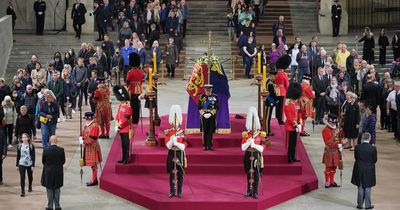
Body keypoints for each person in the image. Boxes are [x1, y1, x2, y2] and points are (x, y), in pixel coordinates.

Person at [241, 106, 270, 199]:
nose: (253, 125)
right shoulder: (246, 134)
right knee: (249, 173)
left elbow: (263, 148)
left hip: (256, 154)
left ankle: (255, 191)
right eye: (251, 123)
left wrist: (255, 145)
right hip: (248, 154)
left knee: (256, 173)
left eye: (254, 123)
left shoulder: (261, 135)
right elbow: (242, 147)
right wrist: (248, 142)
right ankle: (249, 190)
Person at [165, 105, 187, 198]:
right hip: (171, 153)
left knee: (180, 173)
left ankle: (179, 191)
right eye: (174, 121)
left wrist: (177, 144)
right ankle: (172, 191)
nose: (175, 123)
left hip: (179, 153)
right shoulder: (168, 132)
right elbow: (167, 145)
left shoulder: (182, 132)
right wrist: (171, 140)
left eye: (177, 121)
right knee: (171, 173)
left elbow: (184, 146)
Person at [351, 132, 377, 210]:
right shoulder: (373, 148)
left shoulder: (357, 147)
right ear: (369, 138)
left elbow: (356, 157)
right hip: (369, 169)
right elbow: (375, 160)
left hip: (359, 168)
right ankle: (368, 205)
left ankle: (360, 204)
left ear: (362, 138)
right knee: (368, 187)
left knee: (360, 186)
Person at [41, 135, 65, 210]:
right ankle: (57, 206)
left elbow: (43, 161)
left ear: (50, 141)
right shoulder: (61, 150)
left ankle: (50, 206)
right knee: (57, 189)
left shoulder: (46, 150)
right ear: (56, 141)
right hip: (58, 172)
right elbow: (63, 161)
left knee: (50, 189)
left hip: (48, 172)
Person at [79, 112, 102, 186]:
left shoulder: (94, 126)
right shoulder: (87, 125)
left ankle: (94, 180)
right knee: (92, 164)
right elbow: (84, 133)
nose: (85, 119)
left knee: (94, 164)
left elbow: (92, 139)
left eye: (86, 118)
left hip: (93, 147)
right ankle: (94, 179)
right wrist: (81, 137)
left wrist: (83, 141)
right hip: (88, 147)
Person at [322, 114, 343, 188]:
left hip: (336, 151)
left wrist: (341, 143)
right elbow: (328, 142)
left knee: (334, 167)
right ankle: (327, 182)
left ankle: (332, 181)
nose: (333, 124)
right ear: (329, 121)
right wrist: (338, 144)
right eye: (332, 122)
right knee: (328, 167)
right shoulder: (325, 130)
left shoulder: (336, 129)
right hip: (329, 151)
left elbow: (340, 137)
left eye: (334, 122)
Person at [113, 85, 132, 164]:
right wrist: (116, 122)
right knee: (123, 145)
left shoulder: (128, 107)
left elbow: (126, 119)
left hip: (126, 128)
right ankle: (123, 158)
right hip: (121, 128)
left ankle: (126, 159)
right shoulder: (121, 105)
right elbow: (118, 115)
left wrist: (119, 125)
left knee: (126, 145)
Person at [284, 82, 302, 163]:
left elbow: (299, 113)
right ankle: (289, 157)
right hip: (290, 127)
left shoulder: (296, 103)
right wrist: (295, 125)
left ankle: (293, 156)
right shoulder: (287, 105)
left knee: (294, 144)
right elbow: (289, 117)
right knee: (290, 144)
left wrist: (300, 122)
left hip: (296, 126)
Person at [126, 53, 144, 125]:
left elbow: (127, 81)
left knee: (132, 105)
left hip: (132, 90)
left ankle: (133, 119)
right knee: (137, 105)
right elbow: (141, 81)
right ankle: (136, 119)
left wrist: (128, 86)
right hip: (139, 89)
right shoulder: (141, 72)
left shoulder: (130, 72)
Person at [198, 84, 218, 151]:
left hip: (211, 116)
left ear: (211, 90)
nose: (208, 91)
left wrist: (211, 113)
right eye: (206, 90)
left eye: (209, 90)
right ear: (204, 90)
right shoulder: (201, 97)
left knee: (210, 131)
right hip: (203, 116)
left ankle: (210, 145)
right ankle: (205, 145)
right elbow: (199, 107)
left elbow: (216, 107)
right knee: (204, 131)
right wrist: (203, 114)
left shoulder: (215, 97)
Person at [274, 55, 290, 125]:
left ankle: (277, 118)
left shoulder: (276, 74)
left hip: (276, 91)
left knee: (277, 106)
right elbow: (287, 84)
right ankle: (281, 120)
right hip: (282, 92)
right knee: (281, 107)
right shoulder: (284, 74)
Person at [265, 70, 277, 136]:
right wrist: (276, 100)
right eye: (274, 76)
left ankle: (268, 130)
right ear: (271, 76)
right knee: (268, 117)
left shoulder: (270, 82)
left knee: (268, 117)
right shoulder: (270, 83)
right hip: (270, 101)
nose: (275, 78)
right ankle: (266, 131)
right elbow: (272, 94)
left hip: (270, 101)